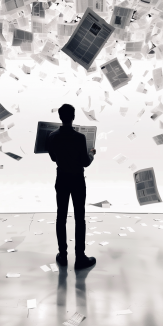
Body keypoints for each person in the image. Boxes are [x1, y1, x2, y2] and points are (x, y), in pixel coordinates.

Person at [46, 104, 96, 270]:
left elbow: (53, 158)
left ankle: (63, 255)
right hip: (77, 180)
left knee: (61, 217)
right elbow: (85, 162)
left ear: (60, 117)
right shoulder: (80, 138)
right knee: (79, 218)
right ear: (73, 116)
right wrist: (91, 154)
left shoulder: (52, 136)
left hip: (61, 179)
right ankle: (80, 257)